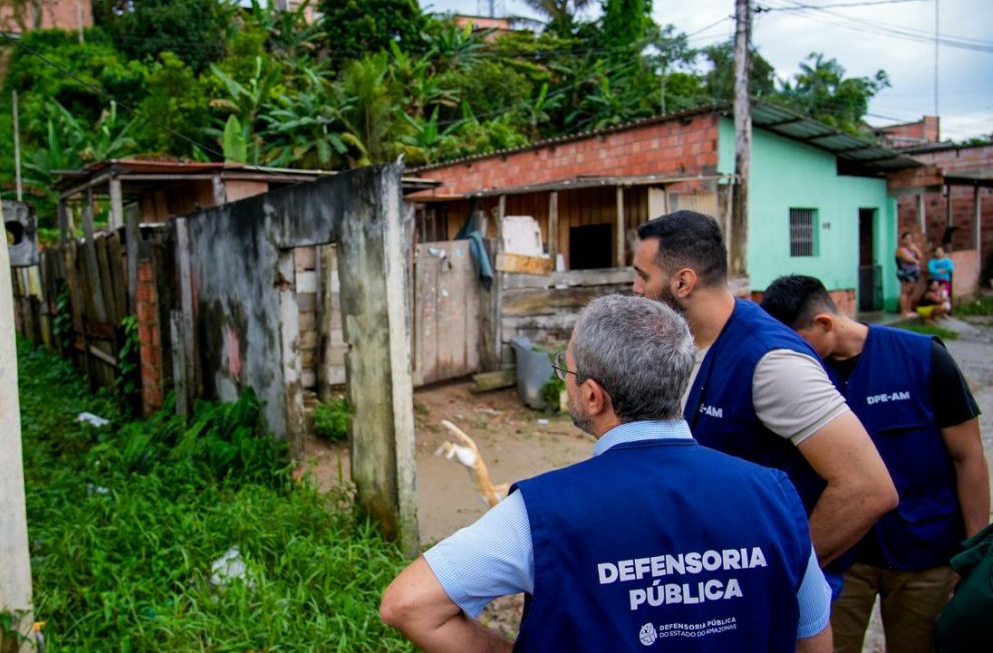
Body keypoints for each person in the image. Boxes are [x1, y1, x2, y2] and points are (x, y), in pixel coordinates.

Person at [380, 295, 833, 652]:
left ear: (594, 397)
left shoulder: (540, 515)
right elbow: (813, 631)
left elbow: (408, 604)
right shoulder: (775, 495)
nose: (566, 380)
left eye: (568, 370)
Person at [631, 211, 898, 593]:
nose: (636, 289)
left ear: (683, 282)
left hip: (759, 602)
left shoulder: (771, 361)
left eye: (643, 276)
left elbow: (869, 488)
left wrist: (780, 574)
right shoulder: (683, 344)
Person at [760, 275, 989, 653]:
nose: (787, 353)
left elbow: (969, 458)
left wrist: (974, 553)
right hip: (843, 561)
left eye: (795, 341)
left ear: (825, 323)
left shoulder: (922, 358)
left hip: (925, 553)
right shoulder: (798, 379)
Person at [896, 232, 923, 318]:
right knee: (905, 291)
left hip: (914, 273)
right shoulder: (900, 250)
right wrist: (916, 261)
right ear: (902, 240)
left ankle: (909, 310)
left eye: (910, 238)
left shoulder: (912, 248)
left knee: (911, 291)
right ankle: (903, 312)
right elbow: (910, 260)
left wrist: (915, 249)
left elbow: (920, 256)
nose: (909, 240)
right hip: (905, 273)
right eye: (907, 238)